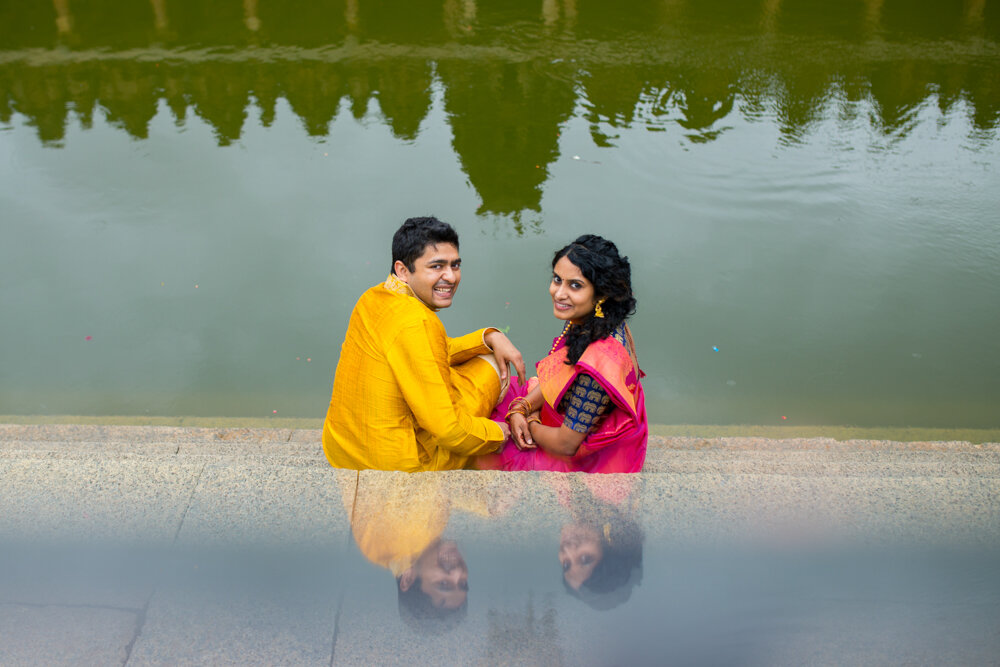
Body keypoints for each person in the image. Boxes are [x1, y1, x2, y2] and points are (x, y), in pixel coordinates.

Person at [322, 216, 526, 471]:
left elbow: (430, 351)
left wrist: (487, 337)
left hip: (343, 448)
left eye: (455, 265)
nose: (450, 277)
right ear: (403, 270)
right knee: (491, 366)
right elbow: (449, 430)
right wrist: (497, 433)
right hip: (400, 464)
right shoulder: (418, 321)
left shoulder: (373, 298)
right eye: (437, 267)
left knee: (475, 358)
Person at [478, 234, 647, 473]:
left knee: (481, 445)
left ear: (601, 294)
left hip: (580, 457)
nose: (559, 293)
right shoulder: (592, 319)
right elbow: (563, 374)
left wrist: (531, 420)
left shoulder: (597, 367)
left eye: (575, 285)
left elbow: (566, 444)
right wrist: (523, 406)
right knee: (491, 383)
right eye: (557, 279)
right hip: (566, 414)